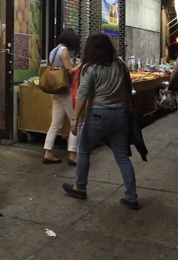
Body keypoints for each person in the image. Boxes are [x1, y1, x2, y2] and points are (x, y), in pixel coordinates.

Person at [62, 32, 139, 210]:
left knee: (82, 151)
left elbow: (82, 95)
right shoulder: (120, 64)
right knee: (122, 157)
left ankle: (79, 187)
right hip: (119, 115)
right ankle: (132, 197)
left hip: (98, 115)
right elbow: (128, 90)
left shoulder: (91, 68)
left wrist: (74, 119)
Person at [43, 28, 80, 165]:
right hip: (65, 91)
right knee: (76, 122)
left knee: (55, 124)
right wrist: (80, 65)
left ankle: (48, 153)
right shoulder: (64, 51)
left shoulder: (53, 51)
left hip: (55, 92)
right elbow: (70, 72)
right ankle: (72, 154)